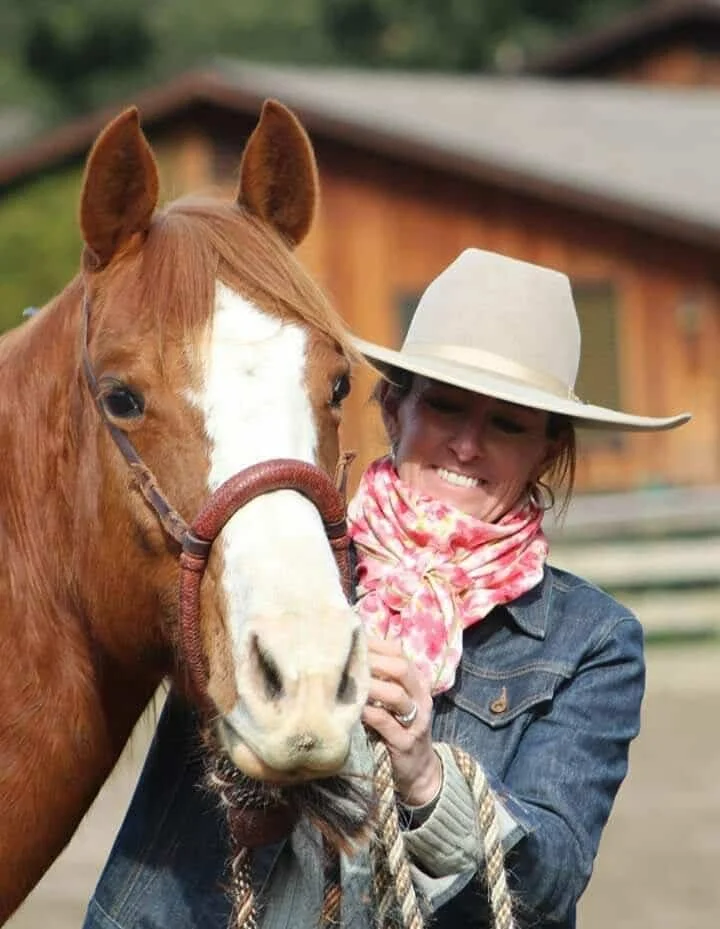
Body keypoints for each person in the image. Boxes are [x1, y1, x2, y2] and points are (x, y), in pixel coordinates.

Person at [82, 248, 689, 929]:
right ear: (395, 409)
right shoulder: (266, 555)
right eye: (446, 407)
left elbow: (548, 886)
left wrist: (426, 778)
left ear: (546, 448)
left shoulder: (592, 640)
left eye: (508, 423)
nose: (466, 444)